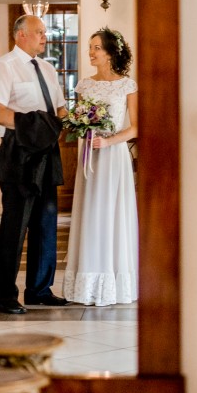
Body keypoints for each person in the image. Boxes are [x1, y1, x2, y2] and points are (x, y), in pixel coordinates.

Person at [0, 14, 69, 315]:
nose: (45, 37)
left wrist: (65, 124)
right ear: (21, 35)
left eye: (45, 32)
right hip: (18, 154)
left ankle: (39, 290)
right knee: (15, 226)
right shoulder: (3, 66)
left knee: (46, 224)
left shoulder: (48, 68)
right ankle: (6, 296)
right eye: (39, 32)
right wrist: (34, 127)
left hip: (47, 154)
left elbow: (60, 108)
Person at [63, 27, 138, 306]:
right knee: (91, 211)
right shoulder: (85, 85)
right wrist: (82, 129)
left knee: (111, 212)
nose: (91, 52)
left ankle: (113, 281)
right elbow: (79, 119)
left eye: (96, 48)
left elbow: (136, 127)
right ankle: (87, 282)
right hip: (90, 157)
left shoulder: (127, 85)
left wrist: (109, 142)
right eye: (90, 47)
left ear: (110, 53)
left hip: (114, 155)